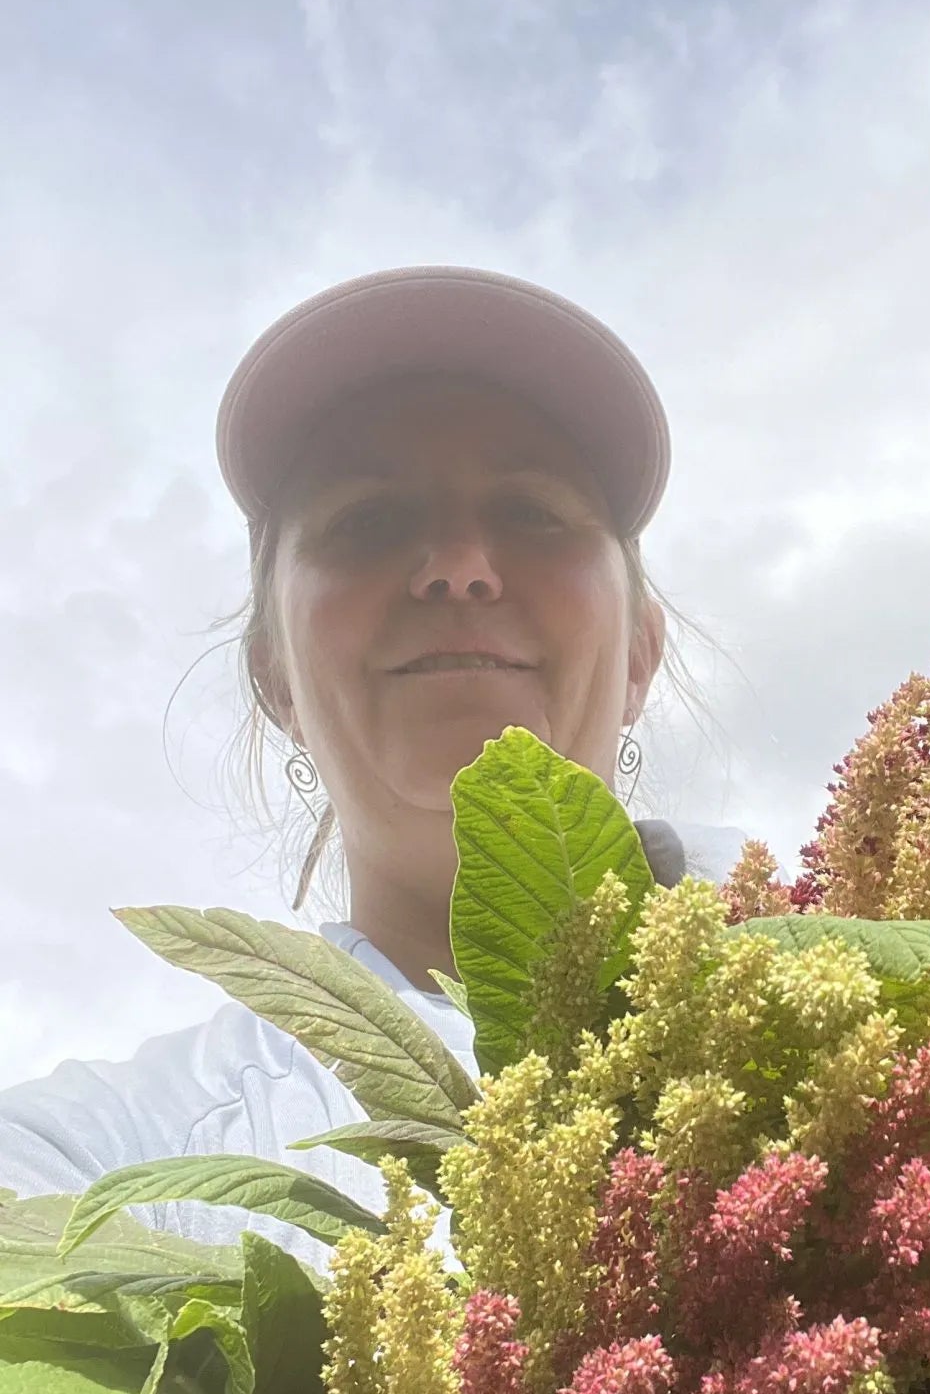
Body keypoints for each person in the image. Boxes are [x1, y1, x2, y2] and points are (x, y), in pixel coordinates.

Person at [0, 267, 751, 1267]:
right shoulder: (107, 1159)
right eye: (368, 520)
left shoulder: (909, 983)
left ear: (641, 658)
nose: (459, 565)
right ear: (276, 678)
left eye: (532, 510)